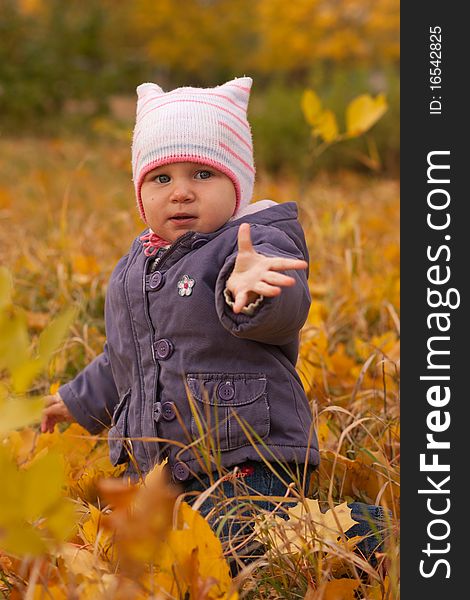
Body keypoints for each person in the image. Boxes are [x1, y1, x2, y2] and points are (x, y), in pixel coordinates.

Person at [41, 77, 389, 572]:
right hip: (171, 468)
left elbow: (282, 305)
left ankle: (377, 535)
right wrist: (77, 399)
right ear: (142, 192)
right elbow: (128, 356)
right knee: (157, 549)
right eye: (162, 179)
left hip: (249, 453)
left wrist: (249, 291)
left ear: (237, 184)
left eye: (202, 174)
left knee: (241, 540)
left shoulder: (248, 245)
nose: (180, 192)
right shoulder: (134, 267)